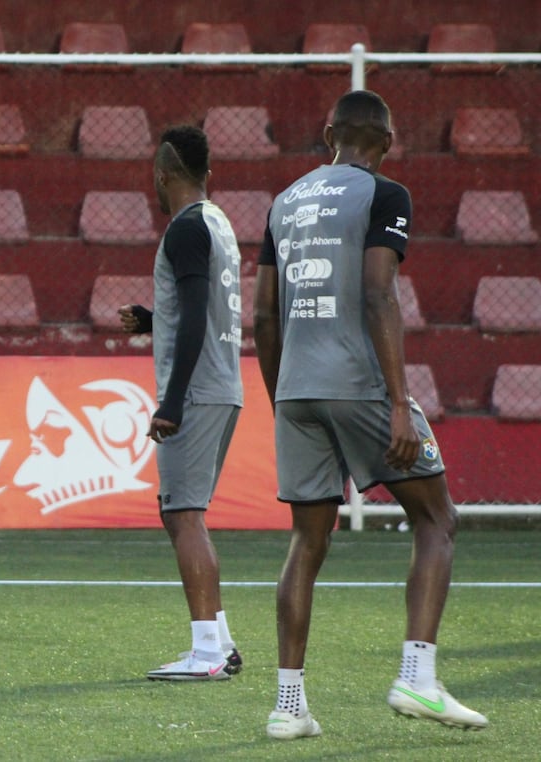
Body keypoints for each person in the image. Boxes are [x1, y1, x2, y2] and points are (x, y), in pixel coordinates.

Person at [253, 90, 487, 739]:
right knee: (437, 518)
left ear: (329, 133)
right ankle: (417, 678)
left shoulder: (285, 201)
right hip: (357, 381)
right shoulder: (386, 194)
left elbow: (264, 314)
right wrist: (396, 403)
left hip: (296, 387)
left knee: (307, 541)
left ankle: (289, 708)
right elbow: (379, 293)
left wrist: (281, 401)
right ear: (386, 142)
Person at [117, 126, 244, 681]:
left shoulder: (185, 228)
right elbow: (201, 306)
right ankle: (221, 643)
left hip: (195, 391)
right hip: (223, 385)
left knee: (182, 514)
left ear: (163, 173)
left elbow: (196, 314)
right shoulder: (217, 221)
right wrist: (154, 320)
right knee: (188, 514)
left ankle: (207, 653)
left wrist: (170, 402)